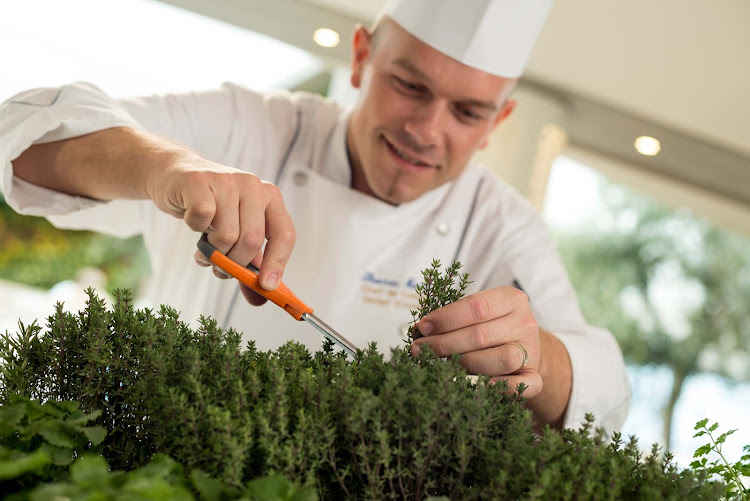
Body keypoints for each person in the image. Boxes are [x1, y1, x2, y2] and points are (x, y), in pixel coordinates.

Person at [0, 0, 630, 433]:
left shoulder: (502, 225)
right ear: (360, 59)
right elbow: (24, 137)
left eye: (467, 113)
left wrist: (542, 359)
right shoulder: (252, 126)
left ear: (499, 122)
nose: (426, 129)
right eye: (409, 85)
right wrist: (165, 170)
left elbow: (607, 392)